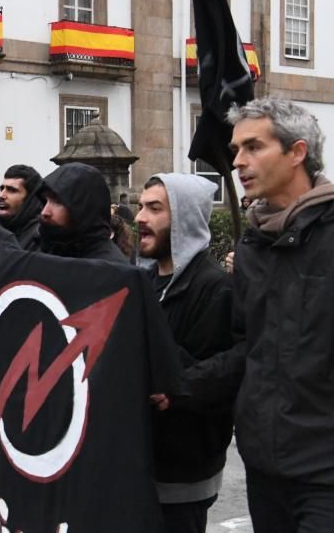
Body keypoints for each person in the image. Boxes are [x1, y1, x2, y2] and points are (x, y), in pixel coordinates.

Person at [165, 98, 334, 531]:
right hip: (265, 469)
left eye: (253, 147)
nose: (238, 161)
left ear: (297, 153)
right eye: (237, 149)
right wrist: (179, 385)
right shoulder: (254, 248)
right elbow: (247, 350)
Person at [137, 174, 234, 533]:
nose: (140, 218)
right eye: (141, 207)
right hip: (144, 466)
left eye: (154, 208)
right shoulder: (144, 280)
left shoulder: (214, 288)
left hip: (183, 475)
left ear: (185, 219)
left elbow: (219, 377)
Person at [37, 162, 127, 263]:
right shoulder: (45, 251)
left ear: (83, 208)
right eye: (46, 201)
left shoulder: (112, 268)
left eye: (57, 202)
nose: (45, 212)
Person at [0, 164, 43, 251]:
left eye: (12, 190)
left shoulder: (41, 237)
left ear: (30, 198)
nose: (1, 195)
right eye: (2, 189)